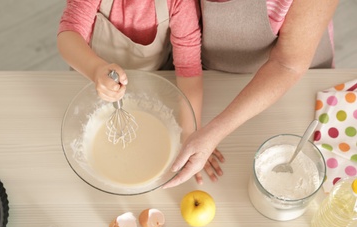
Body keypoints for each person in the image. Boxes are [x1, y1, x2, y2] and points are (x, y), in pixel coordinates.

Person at [163, 0, 339, 188]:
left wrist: (214, 132)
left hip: (290, 80)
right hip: (210, 73)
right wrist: (194, 130)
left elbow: (287, 65)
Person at [57, 0, 224, 185]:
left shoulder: (179, 3)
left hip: (154, 82)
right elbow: (69, 36)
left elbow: (188, 68)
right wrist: (95, 70)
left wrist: (190, 135)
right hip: (89, 76)